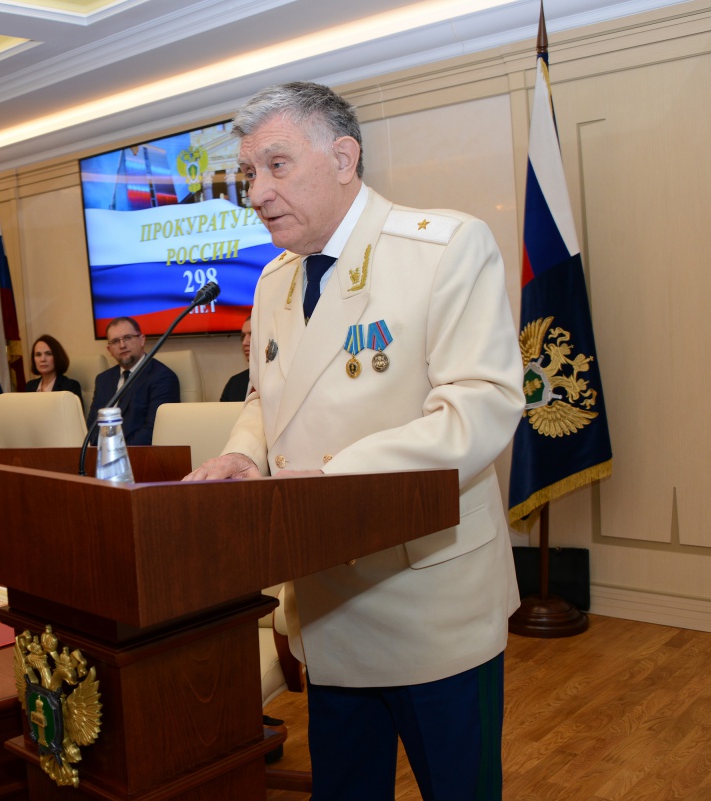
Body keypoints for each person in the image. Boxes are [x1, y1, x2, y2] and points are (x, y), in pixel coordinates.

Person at [184, 82, 524, 801]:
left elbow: (482, 407)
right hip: (328, 604)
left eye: (277, 166)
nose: (256, 192)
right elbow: (266, 399)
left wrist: (335, 478)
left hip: (429, 602)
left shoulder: (444, 248)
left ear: (343, 158)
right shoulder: (273, 280)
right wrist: (245, 452)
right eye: (248, 173)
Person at [84, 317, 179, 446]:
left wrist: (118, 451)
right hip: (103, 453)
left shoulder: (162, 377)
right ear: (109, 349)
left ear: (142, 340)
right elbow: (93, 426)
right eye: (115, 341)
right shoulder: (103, 379)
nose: (122, 345)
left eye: (128, 337)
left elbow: (154, 430)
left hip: (141, 454)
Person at [24, 335, 83, 401]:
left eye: (48, 354)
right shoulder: (30, 386)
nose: (43, 359)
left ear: (57, 357)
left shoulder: (70, 386)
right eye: (38, 355)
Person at [219, 316, 252, 402]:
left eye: (251, 334)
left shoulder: (282, 381)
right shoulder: (234, 384)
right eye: (243, 336)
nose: (244, 342)